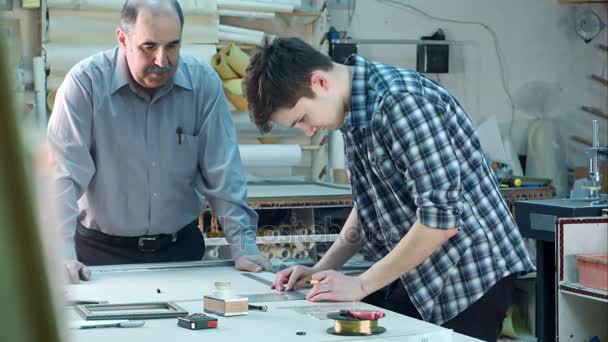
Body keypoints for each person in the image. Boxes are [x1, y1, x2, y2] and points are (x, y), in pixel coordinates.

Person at [242, 37, 535, 342]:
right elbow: (370, 203)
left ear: (319, 82)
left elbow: (441, 221)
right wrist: (319, 270)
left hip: (470, 273)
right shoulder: (353, 113)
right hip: (419, 271)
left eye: (303, 118)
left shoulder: (400, 103)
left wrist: (362, 284)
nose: (309, 129)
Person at [47, 0, 270, 284]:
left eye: (173, 46)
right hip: (99, 255)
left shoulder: (203, 84)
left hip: (181, 251)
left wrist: (244, 248)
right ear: (122, 39)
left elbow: (224, 173)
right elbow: (62, 178)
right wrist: (62, 255)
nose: (162, 61)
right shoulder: (85, 85)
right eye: (149, 47)